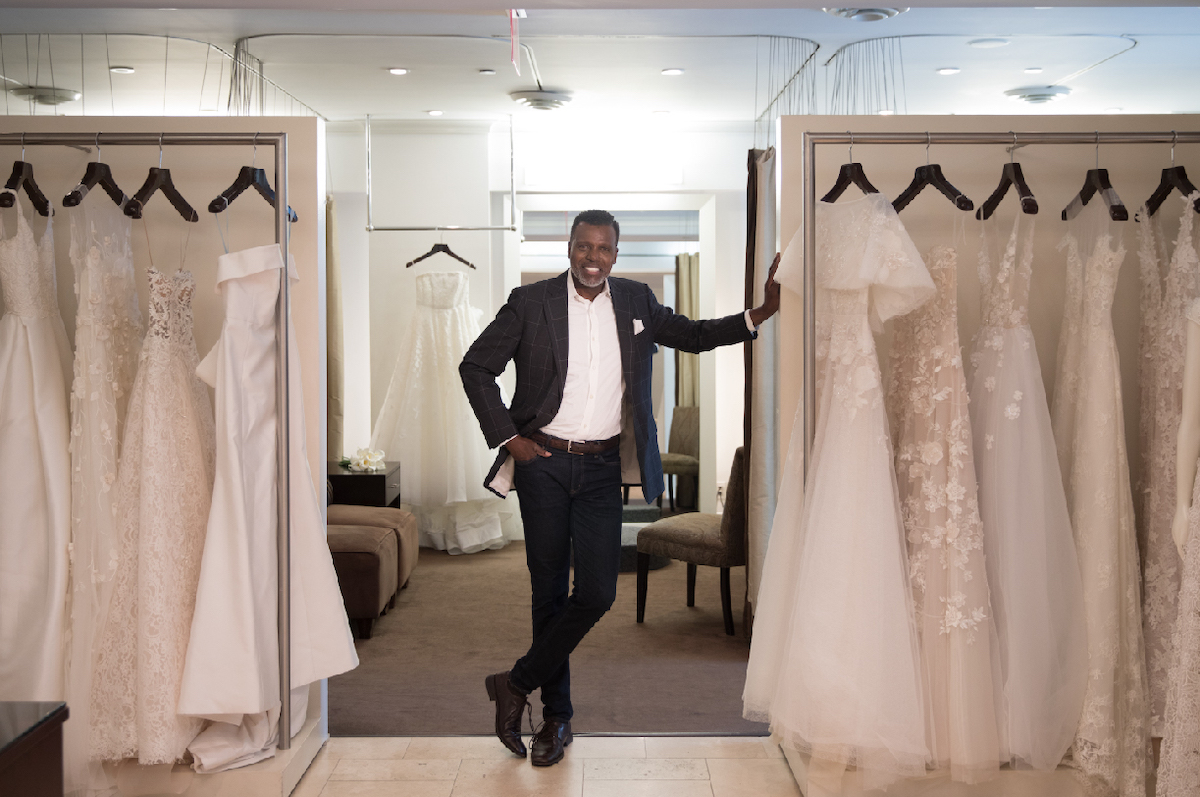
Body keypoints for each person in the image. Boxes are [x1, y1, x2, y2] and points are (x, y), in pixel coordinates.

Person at [460, 209, 780, 767]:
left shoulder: (635, 301)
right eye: (584, 247)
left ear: (615, 253)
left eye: (604, 248)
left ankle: (514, 683)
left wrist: (759, 315)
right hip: (544, 464)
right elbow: (476, 367)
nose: (594, 258)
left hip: (603, 468)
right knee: (548, 593)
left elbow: (694, 336)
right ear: (569, 248)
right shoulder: (530, 303)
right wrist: (510, 439)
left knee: (597, 593)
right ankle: (556, 719)